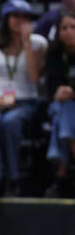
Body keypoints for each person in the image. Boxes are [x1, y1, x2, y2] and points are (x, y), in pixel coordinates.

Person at [0, 0, 46, 198]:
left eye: (24, 16)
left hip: (25, 100)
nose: (20, 20)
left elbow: (34, 77)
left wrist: (27, 42)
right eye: (15, 16)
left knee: (10, 123)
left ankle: (13, 179)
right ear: (6, 18)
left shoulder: (39, 43)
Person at [45, 11, 75, 198]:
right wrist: (59, 93)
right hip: (58, 104)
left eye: (73, 27)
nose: (69, 31)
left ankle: (61, 171)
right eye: (64, 28)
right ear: (58, 32)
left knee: (64, 115)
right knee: (65, 108)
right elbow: (51, 89)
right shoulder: (54, 54)